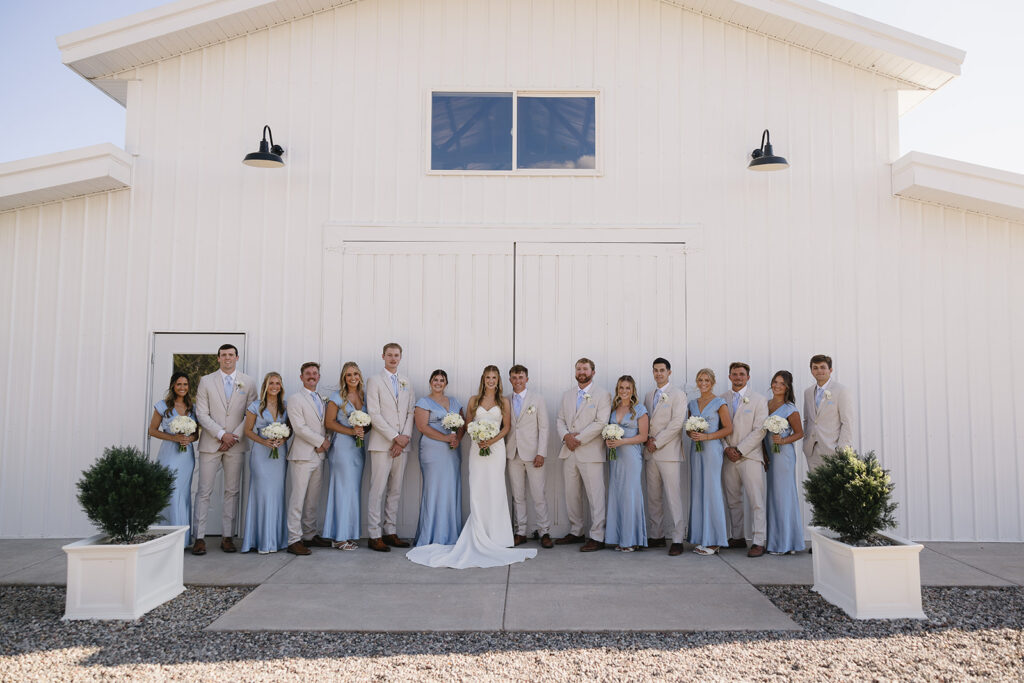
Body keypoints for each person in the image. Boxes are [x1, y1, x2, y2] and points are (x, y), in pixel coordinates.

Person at [407, 365, 537, 568]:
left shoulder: (504, 401)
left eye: (494, 377)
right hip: (477, 449)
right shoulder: (473, 400)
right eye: (487, 377)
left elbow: (507, 427)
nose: (491, 381)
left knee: (495, 489)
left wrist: (491, 440)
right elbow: (466, 425)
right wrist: (479, 437)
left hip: (496, 450)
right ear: (483, 379)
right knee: (477, 488)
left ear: (498, 380)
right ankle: (478, 532)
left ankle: (498, 536)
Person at [192, 344, 257, 555]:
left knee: (232, 491)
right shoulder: (206, 381)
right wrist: (221, 434)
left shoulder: (248, 382)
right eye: (223, 355)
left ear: (237, 357)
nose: (227, 358)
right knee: (204, 491)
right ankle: (199, 537)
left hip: (236, 444)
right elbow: (201, 413)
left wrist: (234, 436)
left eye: (231, 355)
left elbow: (251, 414)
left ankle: (227, 536)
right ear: (218, 358)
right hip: (212, 443)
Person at [555, 357, 612, 552]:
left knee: (595, 496)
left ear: (593, 372)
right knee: (572, 494)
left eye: (585, 369)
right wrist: (565, 437)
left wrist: (577, 439)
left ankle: (597, 535)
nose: (581, 372)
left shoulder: (602, 394)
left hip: (590, 451)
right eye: (578, 368)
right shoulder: (567, 395)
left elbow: (601, 422)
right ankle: (576, 531)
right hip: (569, 451)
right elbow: (560, 420)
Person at [365, 342, 416, 551]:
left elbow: (410, 411)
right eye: (389, 355)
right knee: (378, 489)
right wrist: (394, 437)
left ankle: (390, 531)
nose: (393, 358)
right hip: (381, 444)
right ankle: (374, 534)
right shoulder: (374, 381)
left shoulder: (406, 381)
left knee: (395, 490)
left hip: (402, 444)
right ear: (383, 356)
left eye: (396, 355)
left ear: (401, 357)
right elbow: (374, 413)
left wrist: (404, 438)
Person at [412, 369, 466, 547]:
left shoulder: (454, 401)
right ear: (430, 382)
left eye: (442, 380)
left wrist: (457, 439)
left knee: (450, 489)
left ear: (446, 383)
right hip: (432, 450)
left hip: (452, 451)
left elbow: (462, 424)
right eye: (435, 379)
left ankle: (450, 534)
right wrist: (445, 438)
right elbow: (422, 427)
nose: (438, 383)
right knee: (434, 489)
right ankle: (431, 535)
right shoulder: (423, 402)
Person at [721, 362, 769, 557]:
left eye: (742, 374)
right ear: (729, 376)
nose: (738, 377)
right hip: (728, 457)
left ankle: (758, 540)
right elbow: (718, 427)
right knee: (733, 500)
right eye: (734, 374)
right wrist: (726, 448)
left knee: (756, 500)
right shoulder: (722, 399)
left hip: (750, 456)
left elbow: (760, 430)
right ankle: (738, 536)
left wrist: (740, 450)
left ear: (748, 377)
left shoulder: (758, 400)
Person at [284, 362, 332, 556]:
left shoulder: (321, 398)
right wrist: (320, 442)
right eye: (308, 373)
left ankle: (310, 534)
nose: (312, 376)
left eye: (315, 373)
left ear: (319, 376)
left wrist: (325, 441)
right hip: (302, 456)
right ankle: (293, 539)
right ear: (301, 377)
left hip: (319, 456)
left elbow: (325, 425)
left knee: (313, 499)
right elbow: (299, 427)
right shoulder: (295, 399)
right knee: (298, 499)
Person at [240, 372, 290, 554]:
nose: (274, 386)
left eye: (277, 383)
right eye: (271, 383)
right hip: (261, 455)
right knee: (262, 495)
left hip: (279, 455)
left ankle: (275, 540)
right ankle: (260, 540)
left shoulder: (285, 406)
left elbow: (290, 430)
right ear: (265, 386)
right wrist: (264, 441)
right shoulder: (255, 406)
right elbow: (248, 431)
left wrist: (283, 440)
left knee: (276, 495)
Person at [642, 357, 687, 556]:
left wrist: (657, 442)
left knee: (673, 496)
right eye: (655, 370)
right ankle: (657, 535)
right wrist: (646, 441)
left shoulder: (677, 394)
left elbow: (677, 424)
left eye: (662, 370)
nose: (658, 373)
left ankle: (677, 538)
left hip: (668, 452)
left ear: (669, 372)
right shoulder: (648, 394)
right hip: (650, 453)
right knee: (653, 497)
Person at [686, 368, 733, 556]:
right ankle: (701, 536)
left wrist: (708, 437)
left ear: (712, 382)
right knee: (698, 491)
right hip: (696, 451)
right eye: (700, 379)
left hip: (712, 451)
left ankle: (714, 540)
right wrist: (692, 433)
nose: (703, 383)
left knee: (712, 491)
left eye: (706, 380)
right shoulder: (692, 403)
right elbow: (689, 428)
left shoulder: (720, 403)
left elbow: (728, 428)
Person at [505, 364, 553, 548]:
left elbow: (544, 427)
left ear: (527, 379)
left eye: (521, 377)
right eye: (514, 378)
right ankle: (520, 531)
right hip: (513, 453)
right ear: (510, 380)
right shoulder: (505, 399)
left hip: (534, 454)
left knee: (538, 494)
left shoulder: (537, 399)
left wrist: (541, 453)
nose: (518, 381)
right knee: (518, 496)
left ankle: (544, 531)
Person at [147, 372, 198, 547]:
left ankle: (182, 539)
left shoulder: (193, 407)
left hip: (186, 457)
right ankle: (167, 538)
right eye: (179, 384)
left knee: (182, 494)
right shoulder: (163, 406)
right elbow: (152, 430)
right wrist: (174, 438)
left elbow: (196, 434)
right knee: (170, 492)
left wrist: (188, 439)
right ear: (173, 386)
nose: (182, 388)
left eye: (185, 384)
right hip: (169, 455)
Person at [323, 362, 369, 550]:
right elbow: (329, 423)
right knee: (341, 490)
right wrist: (351, 432)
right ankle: (339, 537)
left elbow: (369, 422)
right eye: (349, 374)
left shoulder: (364, 396)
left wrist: (363, 429)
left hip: (358, 449)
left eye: (356, 374)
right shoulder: (337, 397)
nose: (352, 378)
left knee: (352, 491)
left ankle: (348, 533)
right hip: (342, 448)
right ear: (344, 377)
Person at [604, 375, 649, 552]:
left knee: (631, 495)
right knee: (617, 494)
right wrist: (609, 440)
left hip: (631, 456)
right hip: (616, 458)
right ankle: (620, 537)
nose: (624, 391)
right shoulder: (613, 409)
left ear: (633, 390)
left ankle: (632, 539)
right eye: (621, 388)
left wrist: (622, 442)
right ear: (617, 390)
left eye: (627, 388)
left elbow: (643, 436)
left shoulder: (639, 409)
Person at [764, 370, 806, 555]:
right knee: (773, 497)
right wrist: (764, 454)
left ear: (787, 387)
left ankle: (787, 543)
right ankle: (776, 540)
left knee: (784, 497)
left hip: (784, 456)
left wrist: (783, 441)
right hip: (770, 456)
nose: (777, 386)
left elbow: (799, 433)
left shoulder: (790, 408)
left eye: (781, 383)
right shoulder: (767, 405)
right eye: (775, 382)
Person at [802, 354, 857, 473]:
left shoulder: (841, 390)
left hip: (833, 450)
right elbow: (807, 420)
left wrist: (842, 450)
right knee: (815, 489)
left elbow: (847, 422)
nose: (819, 370)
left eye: (823, 367)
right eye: (815, 367)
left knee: (833, 490)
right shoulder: (808, 392)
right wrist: (806, 441)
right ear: (811, 370)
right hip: (812, 451)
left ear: (830, 370)